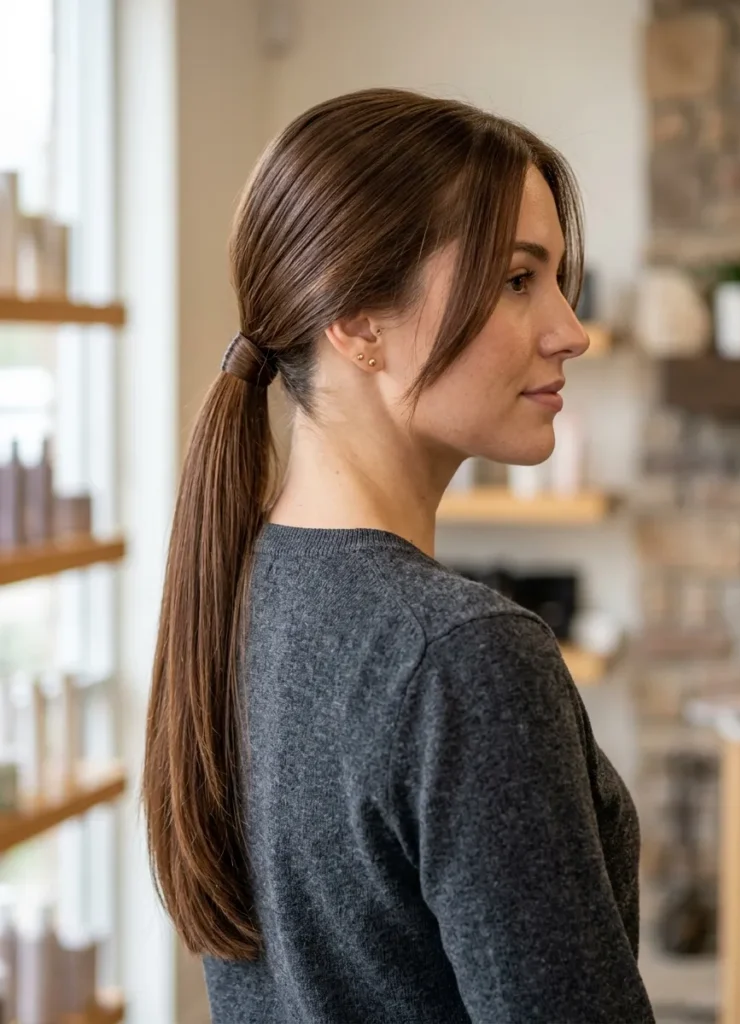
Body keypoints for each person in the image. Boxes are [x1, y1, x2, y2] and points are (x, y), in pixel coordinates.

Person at [143, 88, 656, 1023]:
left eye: (556, 279)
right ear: (358, 324)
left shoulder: (243, 585)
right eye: (515, 279)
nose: (569, 331)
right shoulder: (463, 655)